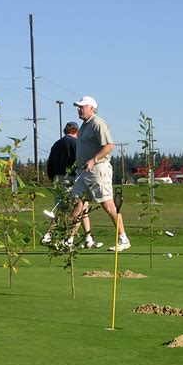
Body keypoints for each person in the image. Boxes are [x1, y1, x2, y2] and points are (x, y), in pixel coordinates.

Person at [69, 95, 130, 252]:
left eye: (82, 106)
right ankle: (68, 240)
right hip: (84, 171)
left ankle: (123, 238)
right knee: (77, 203)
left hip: (98, 170)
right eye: (78, 106)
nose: (79, 109)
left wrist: (93, 160)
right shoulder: (84, 126)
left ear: (91, 108)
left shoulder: (97, 123)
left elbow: (109, 146)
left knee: (107, 205)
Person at [41, 121, 102, 249]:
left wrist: (53, 178)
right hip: (72, 179)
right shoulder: (77, 143)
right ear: (77, 131)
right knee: (75, 208)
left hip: (58, 179)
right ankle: (60, 237)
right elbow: (81, 160)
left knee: (81, 207)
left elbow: (50, 165)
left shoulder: (56, 144)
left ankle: (88, 238)